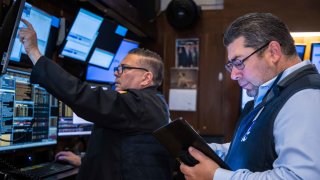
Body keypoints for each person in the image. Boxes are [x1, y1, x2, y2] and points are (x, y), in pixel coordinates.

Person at [19, 19, 174, 180]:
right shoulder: (156, 102)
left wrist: (33, 51)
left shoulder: (138, 102)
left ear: (146, 78)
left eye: (124, 68)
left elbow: (80, 95)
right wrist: (84, 161)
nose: (116, 73)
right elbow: (127, 154)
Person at [180, 13, 320, 179]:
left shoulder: (304, 97)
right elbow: (257, 147)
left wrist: (215, 176)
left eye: (239, 62)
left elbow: (298, 177)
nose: (234, 75)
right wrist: (208, 151)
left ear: (273, 52)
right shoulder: (274, 92)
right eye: (231, 65)